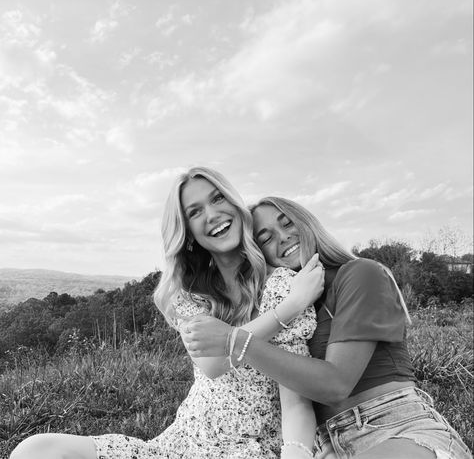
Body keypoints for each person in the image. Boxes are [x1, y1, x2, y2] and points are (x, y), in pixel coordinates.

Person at [10, 169, 325, 459]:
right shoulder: (192, 294)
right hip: (180, 444)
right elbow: (213, 363)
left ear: (235, 204)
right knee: (36, 450)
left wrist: (296, 453)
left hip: (246, 449)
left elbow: (296, 401)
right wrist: (288, 310)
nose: (213, 214)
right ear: (187, 232)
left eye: (217, 198)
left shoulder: (281, 286)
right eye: (195, 211)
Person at [181, 196, 472, 459]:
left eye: (288, 223)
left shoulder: (359, 273)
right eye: (266, 238)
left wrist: (236, 341)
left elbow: (336, 384)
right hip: (326, 444)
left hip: (395, 426)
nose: (283, 238)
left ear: (307, 223)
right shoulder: (281, 308)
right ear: (259, 254)